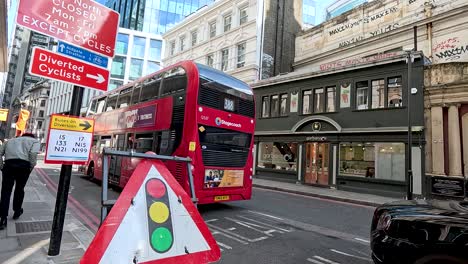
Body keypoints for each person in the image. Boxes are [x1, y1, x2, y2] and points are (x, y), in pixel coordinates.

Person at [0, 133, 40, 229]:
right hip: (23, 166)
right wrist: (30, 167)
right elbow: (33, 155)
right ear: (32, 136)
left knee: (5, 191)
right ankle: (17, 211)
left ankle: (3, 218)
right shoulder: (35, 141)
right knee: (19, 189)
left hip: (9, 165)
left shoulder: (9, 141)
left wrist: (1, 166)